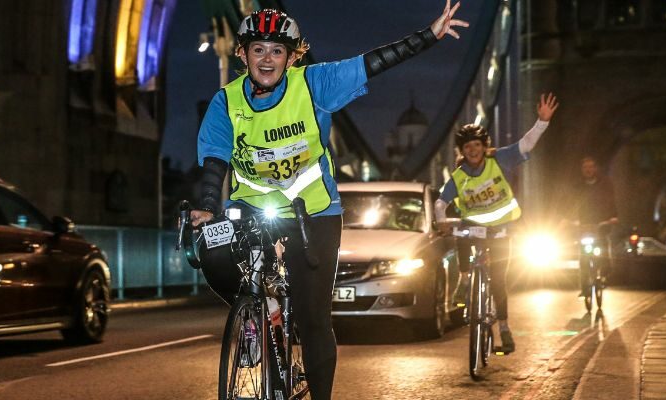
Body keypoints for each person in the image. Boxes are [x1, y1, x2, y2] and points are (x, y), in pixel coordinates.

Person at [190, 3, 468, 399]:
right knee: (213, 252)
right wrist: (206, 204)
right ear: (243, 54)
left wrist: (430, 35)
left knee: (313, 317)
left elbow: (372, 63)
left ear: (291, 57)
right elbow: (216, 158)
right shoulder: (227, 102)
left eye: (276, 51)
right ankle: (254, 315)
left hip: (314, 212)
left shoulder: (314, 84)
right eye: (258, 49)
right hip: (253, 209)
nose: (267, 59)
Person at [435, 93, 560, 354]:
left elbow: (525, 145)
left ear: (484, 146)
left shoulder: (499, 160)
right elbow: (440, 203)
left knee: (498, 281)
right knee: (462, 233)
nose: (472, 150)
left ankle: (503, 326)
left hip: (503, 228)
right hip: (475, 229)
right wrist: (442, 221)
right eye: (467, 147)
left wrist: (542, 122)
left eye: (477, 145)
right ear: (462, 151)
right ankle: (465, 278)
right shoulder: (458, 177)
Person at [573, 156, 619, 296]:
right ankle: (584, 286)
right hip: (584, 225)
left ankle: (604, 274)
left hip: (601, 224)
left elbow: (611, 202)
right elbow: (570, 203)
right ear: (582, 170)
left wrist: (613, 217)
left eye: (591, 167)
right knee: (582, 255)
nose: (588, 170)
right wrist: (569, 219)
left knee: (604, 250)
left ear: (595, 169)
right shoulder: (578, 186)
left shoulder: (604, 184)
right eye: (585, 167)